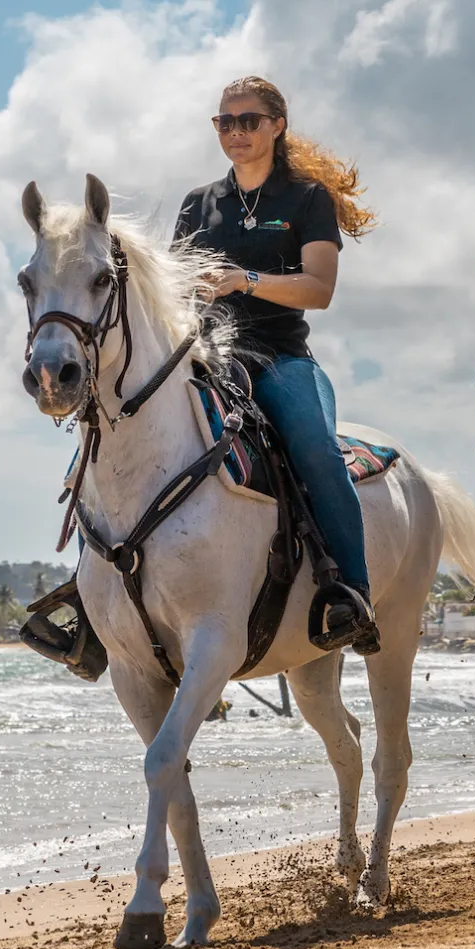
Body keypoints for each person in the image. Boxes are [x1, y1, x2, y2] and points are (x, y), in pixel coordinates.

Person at [173, 76, 380, 654]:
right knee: (120, 424)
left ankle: (350, 593)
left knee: (315, 447)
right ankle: (93, 605)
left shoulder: (307, 198)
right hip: (207, 359)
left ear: (276, 126)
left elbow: (319, 289)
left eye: (248, 121)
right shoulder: (198, 204)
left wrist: (246, 281)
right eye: (225, 122)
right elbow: (173, 289)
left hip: (280, 359)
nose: (235, 132)